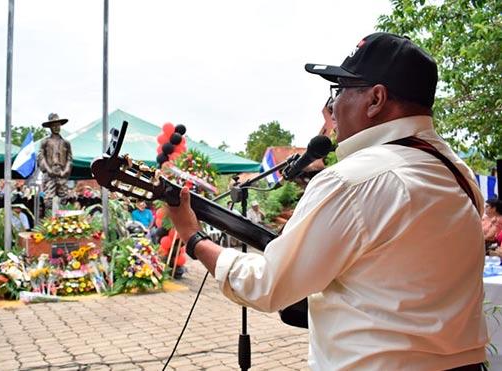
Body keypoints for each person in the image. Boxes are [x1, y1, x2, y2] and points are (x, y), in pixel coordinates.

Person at [166, 32, 487, 370]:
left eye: (339, 90)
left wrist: (193, 237)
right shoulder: (457, 172)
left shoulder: (352, 180)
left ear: (376, 99)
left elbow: (267, 285)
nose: (331, 107)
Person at [37, 113, 73, 210]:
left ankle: (62, 221)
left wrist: (65, 170)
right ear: (50, 127)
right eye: (54, 125)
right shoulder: (45, 142)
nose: (56, 127)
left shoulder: (66, 143)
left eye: (58, 125)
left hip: (62, 172)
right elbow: (41, 157)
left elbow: (70, 158)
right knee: (49, 198)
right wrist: (48, 169)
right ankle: (50, 220)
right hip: (50, 173)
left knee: (64, 197)